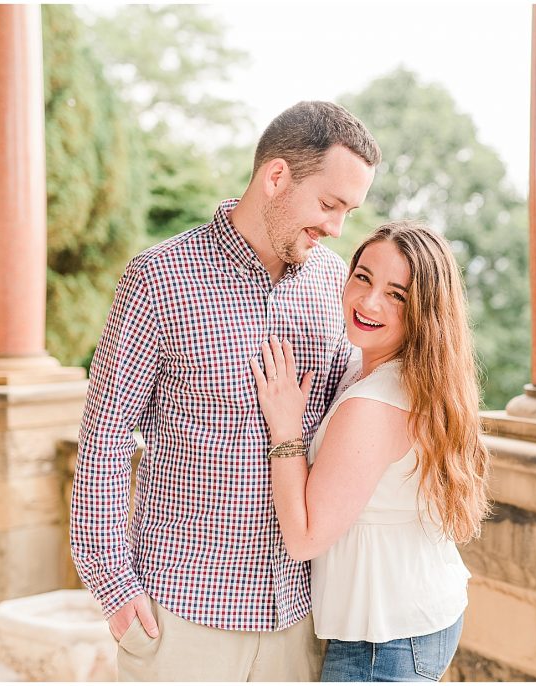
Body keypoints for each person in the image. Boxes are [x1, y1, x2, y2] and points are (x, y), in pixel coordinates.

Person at [70, 101, 380, 682]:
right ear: (277, 177)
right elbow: (105, 442)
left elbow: (355, 414)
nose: (338, 228)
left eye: (348, 211)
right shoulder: (158, 279)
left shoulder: (333, 283)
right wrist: (113, 586)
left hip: (300, 618)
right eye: (329, 204)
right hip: (182, 620)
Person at [250, 220, 491, 682]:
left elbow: (304, 539)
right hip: (415, 619)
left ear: (425, 312)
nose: (369, 301)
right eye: (363, 277)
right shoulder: (401, 372)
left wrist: (285, 428)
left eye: (397, 295)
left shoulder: (373, 405)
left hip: (384, 644)